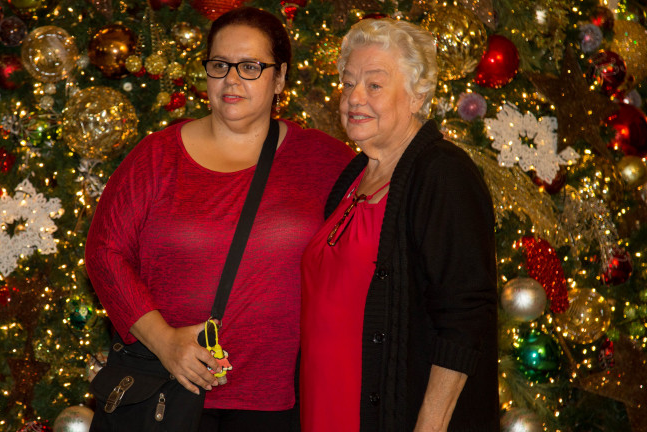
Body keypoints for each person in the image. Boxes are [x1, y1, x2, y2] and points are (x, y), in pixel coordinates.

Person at [85, 6, 355, 431]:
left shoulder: (324, 160)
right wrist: (165, 341)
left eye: (250, 66)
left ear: (280, 78)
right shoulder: (156, 156)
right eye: (219, 65)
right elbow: (104, 252)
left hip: (276, 403)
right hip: (167, 393)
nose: (231, 79)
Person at [299, 18, 498, 432]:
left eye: (374, 85)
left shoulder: (442, 173)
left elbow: (465, 316)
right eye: (348, 83)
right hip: (326, 409)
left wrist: (430, 425)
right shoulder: (354, 174)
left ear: (417, 95)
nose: (354, 98)